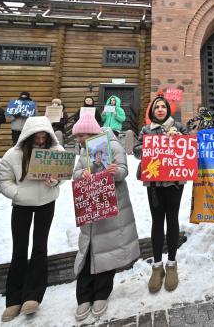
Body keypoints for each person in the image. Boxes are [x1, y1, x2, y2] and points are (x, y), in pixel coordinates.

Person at [71, 114, 140, 321]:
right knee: (88, 251)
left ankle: (101, 294)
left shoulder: (113, 145)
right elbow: (76, 173)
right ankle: (83, 296)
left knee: (107, 251)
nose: (78, 139)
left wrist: (113, 171)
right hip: (91, 206)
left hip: (111, 206)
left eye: (81, 135)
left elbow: (123, 171)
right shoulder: (84, 149)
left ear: (91, 132)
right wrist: (82, 174)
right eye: (77, 136)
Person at [0, 116, 64, 322]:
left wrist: (54, 181)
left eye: (44, 136)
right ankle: (13, 298)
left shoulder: (56, 152)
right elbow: (3, 180)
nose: (41, 140)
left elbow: (61, 176)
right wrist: (17, 194)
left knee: (40, 247)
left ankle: (33, 295)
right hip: (21, 206)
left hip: (46, 203)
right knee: (19, 248)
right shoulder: (13, 154)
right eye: (37, 136)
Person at [133, 96, 188, 293]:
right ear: (151, 111)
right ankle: (157, 266)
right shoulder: (146, 130)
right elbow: (137, 150)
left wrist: (178, 139)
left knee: (172, 220)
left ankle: (171, 264)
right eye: (157, 107)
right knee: (157, 221)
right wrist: (154, 142)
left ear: (168, 110)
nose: (160, 109)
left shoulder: (179, 127)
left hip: (174, 182)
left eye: (163, 106)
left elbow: (190, 147)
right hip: (154, 182)